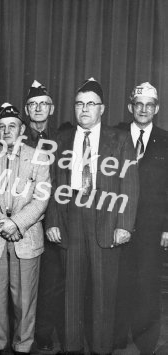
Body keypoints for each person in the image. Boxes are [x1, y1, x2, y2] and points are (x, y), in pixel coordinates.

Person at [45, 78, 139, 354]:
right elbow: (51, 183)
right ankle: (72, 348)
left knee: (103, 294)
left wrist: (124, 226)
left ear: (102, 109)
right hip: (71, 216)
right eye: (79, 104)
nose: (84, 109)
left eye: (90, 104)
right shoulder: (61, 139)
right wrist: (52, 220)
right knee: (71, 291)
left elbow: (131, 185)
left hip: (107, 218)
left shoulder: (119, 139)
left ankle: (101, 349)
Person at [0, 103, 50, 355]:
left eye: (12, 126)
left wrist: (16, 223)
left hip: (26, 237)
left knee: (24, 299)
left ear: (22, 129)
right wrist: (3, 225)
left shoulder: (38, 157)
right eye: (1, 127)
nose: (6, 131)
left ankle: (23, 345)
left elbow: (41, 198)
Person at [114, 82, 168, 354]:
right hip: (118, 223)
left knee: (147, 282)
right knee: (118, 282)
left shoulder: (166, 139)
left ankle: (146, 340)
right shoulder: (115, 135)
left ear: (156, 109)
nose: (143, 109)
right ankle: (117, 337)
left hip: (152, 227)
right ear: (130, 107)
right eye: (139, 104)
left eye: (149, 105)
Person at [23, 80, 65, 351]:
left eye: (43, 104)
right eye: (33, 104)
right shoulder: (16, 136)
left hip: (53, 221)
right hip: (24, 220)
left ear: (51, 108)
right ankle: (21, 332)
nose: (38, 109)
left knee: (51, 282)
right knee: (23, 283)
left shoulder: (62, 138)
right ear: (26, 110)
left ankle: (44, 332)